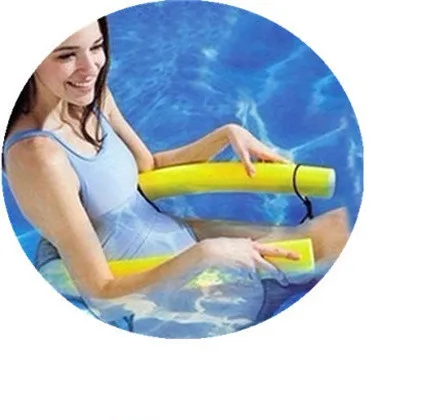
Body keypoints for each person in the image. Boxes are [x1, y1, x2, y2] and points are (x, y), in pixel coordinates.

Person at [3, 18, 349, 333]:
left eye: (96, 47)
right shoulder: (38, 157)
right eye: (67, 56)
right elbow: (103, 297)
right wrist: (206, 254)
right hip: (147, 289)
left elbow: (148, 167)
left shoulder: (92, 98)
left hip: (173, 236)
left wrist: (226, 134)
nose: (90, 67)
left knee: (329, 237)